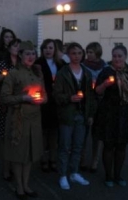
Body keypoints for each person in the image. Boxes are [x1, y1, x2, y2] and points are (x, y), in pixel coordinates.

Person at [93, 45, 128, 187]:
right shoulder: (106, 71)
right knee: (109, 145)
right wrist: (105, 84)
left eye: (120, 56)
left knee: (122, 146)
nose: (117, 59)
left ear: (125, 56)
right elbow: (97, 91)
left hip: (126, 113)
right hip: (108, 113)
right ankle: (108, 176)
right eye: (114, 56)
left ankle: (118, 175)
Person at [0, 41, 46, 199]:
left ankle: (26, 185)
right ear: (20, 55)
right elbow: (4, 97)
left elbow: (45, 95)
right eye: (27, 53)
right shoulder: (13, 74)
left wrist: (41, 100)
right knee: (18, 154)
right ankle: (18, 186)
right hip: (18, 119)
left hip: (35, 119)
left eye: (33, 53)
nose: (31, 57)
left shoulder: (38, 73)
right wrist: (23, 98)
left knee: (30, 155)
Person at [53, 42, 94, 190]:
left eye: (79, 53)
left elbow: (90, 96)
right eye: (73, 53)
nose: (76, 56)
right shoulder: (63, 72)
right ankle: (63, 175)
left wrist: (90, 114)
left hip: (82, 114)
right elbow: (56, 95)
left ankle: (74, 172)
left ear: (82, 54)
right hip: (67, 114)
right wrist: (69, 98)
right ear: (68, 55)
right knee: (64, 146)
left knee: (78, 146)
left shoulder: (87, 73)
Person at [0, 38, 21, 181]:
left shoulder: (22, 64)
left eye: (19, 46)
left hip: (18, 104)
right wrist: (1, 78)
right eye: (14, 46)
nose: (17, 48)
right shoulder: (2, 64)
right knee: (4, 138)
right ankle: (6, 168)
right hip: (4, 104)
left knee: (16, 137)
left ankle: (15, 166)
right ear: (9, 48)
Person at [35, 39, 63, 173]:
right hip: (44, 100)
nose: (48, 50)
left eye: (51, 48)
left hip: (56, 101)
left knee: (54, 132)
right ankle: (43, 159)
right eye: (45, 48)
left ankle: (53, 158)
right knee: (43, 132)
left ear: (55, 49)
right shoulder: (38, 63)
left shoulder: (61, 63)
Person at [80, 42, 108, 173]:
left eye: (91, 52)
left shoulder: (105, 67)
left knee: (97, 134)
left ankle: (95, 161)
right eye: (87, 52)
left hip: (101, 103)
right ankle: (82, 159)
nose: (88, 55)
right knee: (84, 133)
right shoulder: (82, 66)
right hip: (87, 101)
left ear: (97, 52)